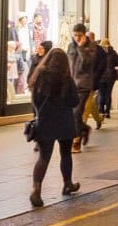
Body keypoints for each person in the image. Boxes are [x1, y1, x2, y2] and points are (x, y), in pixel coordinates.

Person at [28, 48, 81, 207]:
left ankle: (36, 191)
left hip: (45, 121)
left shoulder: (40, 77)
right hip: (64, 122)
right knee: (66, 154)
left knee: (44, 157)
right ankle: (67, 184)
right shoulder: (66, 79)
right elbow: (74, 102)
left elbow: (35, 101)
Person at [67, 24, 100, 153]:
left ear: (84, 35)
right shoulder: (70, 46)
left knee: (77, 113)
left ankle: (76, 141)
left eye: (79, 35)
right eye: (74, 35)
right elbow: (68, 64)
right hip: (71, 85)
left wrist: (81, 48)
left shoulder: (91, 47)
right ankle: (84, 128)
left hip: (84, 85)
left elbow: (87, 63)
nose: (76, 38)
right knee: (72, 114)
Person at [97, 38, 118, 119]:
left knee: (101, 94)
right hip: (111, 76)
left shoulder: (98, 52)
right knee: (108, 94)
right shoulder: (113, 52)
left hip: (100, 76)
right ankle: (107, 112)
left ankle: (101, 112)